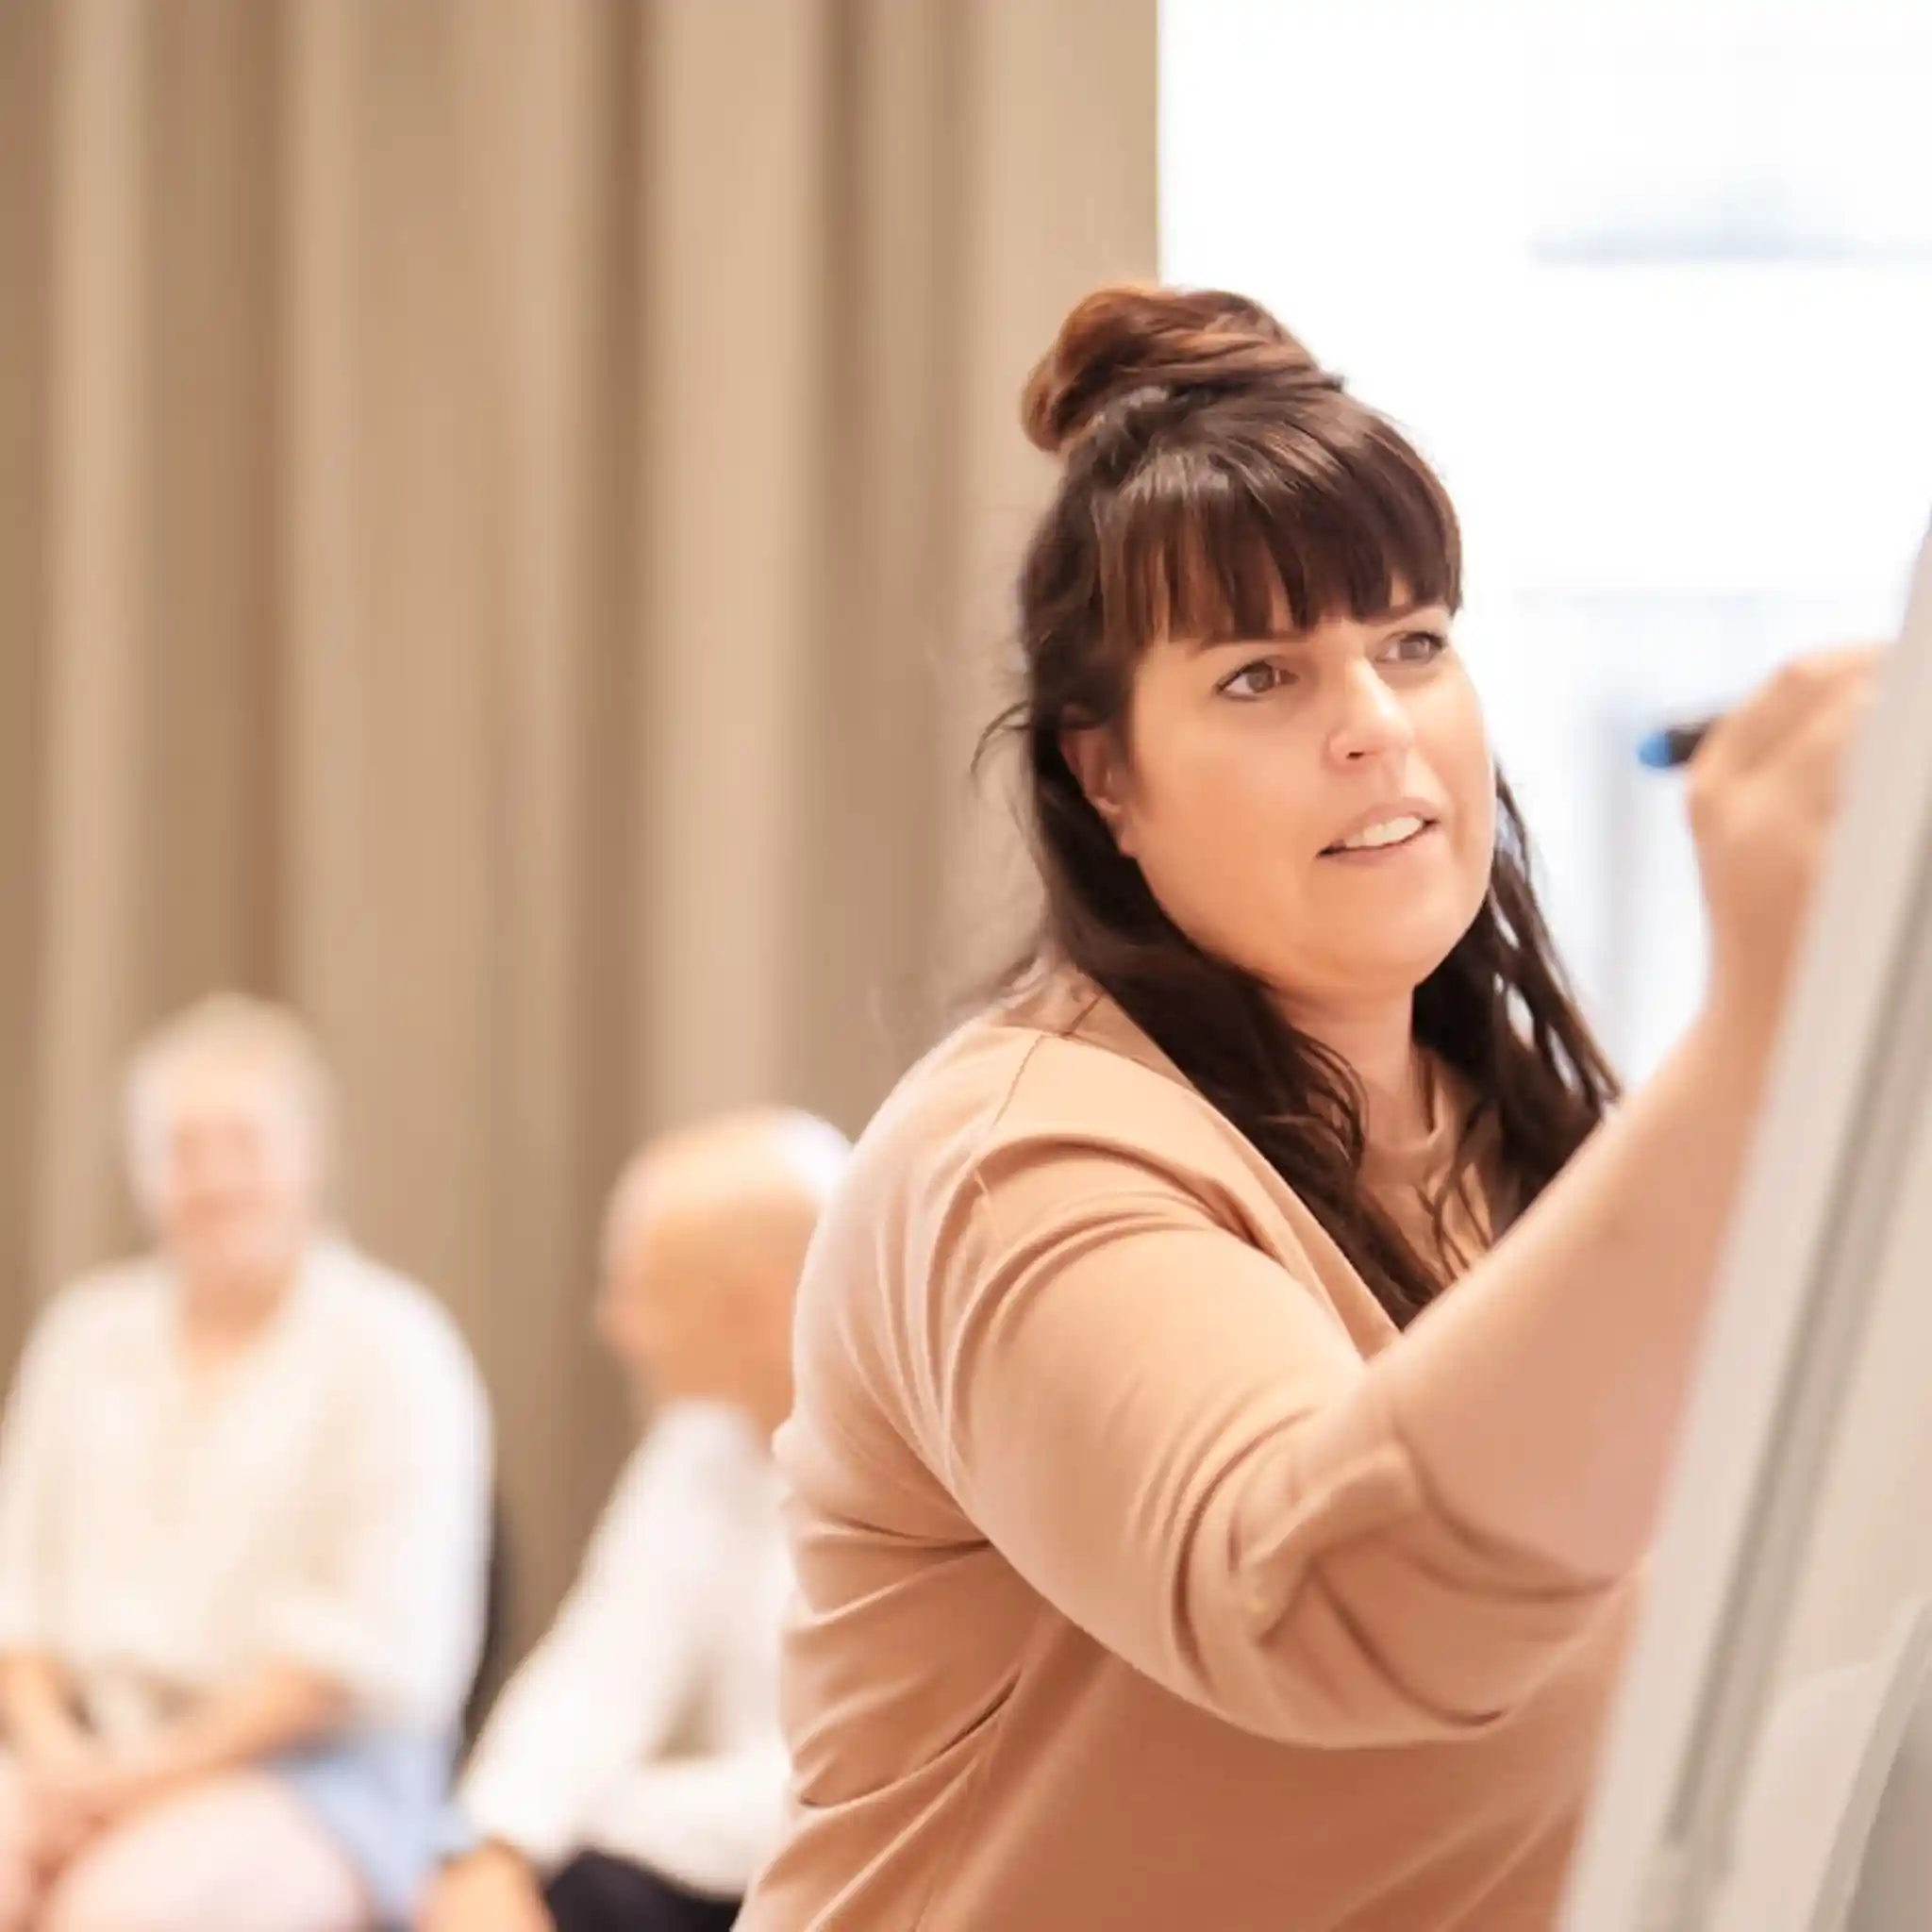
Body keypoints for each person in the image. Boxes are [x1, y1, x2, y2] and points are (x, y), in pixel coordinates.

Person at [736, 285, 1882, 1930]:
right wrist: (1766, 1032)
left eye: (1411, 640)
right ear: (1102, 774)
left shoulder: (1529, 1144)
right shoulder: (1014, 1157)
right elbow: (1326, 1599)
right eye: (1261, 675)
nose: (1373, 725)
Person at [0, 994, 492, 1932]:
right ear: (143, 1169)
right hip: (80, 1743)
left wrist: (147, 1779)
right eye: (183, 1147)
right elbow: (17, 1593)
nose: (214, 1177)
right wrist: (62, 1759)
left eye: (243, 1142)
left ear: (310, 1154)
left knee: (120, 1911)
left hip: (317, 1773)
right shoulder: (85, 1333)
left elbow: (352, 1652)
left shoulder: (393, 1347)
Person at [420, 1109, 849, 1932]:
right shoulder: (702, 1440)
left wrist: (589, 1826)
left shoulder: (927, 1467)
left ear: (752, 1306)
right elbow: (602, 1666)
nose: (614, 1324)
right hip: (724, 1858)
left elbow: (840, 1784)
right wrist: (489, 1848)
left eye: (645, 1292)